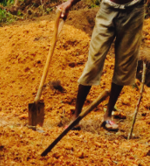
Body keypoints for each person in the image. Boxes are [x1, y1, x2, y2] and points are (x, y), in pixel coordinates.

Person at [57, 0, 145, 131]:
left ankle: (108, 115)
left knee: (124, 65)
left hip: (134, 11)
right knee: (94, 62)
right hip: (108, 9)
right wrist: (70, 2)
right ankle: (76, 116)